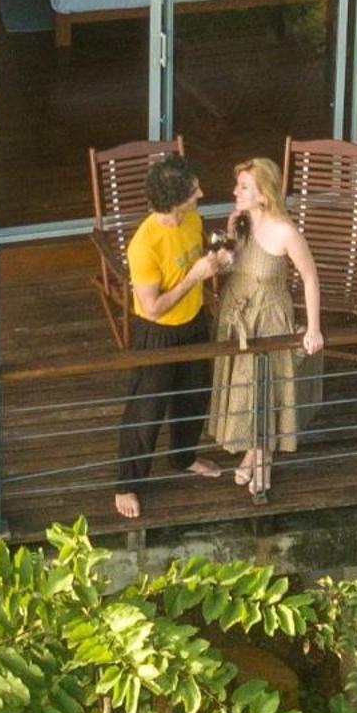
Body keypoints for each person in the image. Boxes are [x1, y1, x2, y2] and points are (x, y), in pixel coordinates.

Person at [114, 155, 230, 521]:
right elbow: (152, 308)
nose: (202, 193)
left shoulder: (192, 218)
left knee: (194, 396)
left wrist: (219, 258)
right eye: (193, 190)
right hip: (158, 334)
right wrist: (196, 277)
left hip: (194, 322)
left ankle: (183, 456)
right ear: (174, 198)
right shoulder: (144, 245)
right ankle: (127, 483)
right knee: (146, 410)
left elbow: (198, 257)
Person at [205, 158, 324, 498]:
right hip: (236, 311)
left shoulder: (285, 231)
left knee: (265, 386)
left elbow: (310, 276)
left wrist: (313, 328)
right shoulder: (239, 222)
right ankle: (255, 451)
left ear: (263, 194)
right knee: (242, 383)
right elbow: (231, 268)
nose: (235, 191)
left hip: (268, 316)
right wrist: (225, 246)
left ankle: (263, 459)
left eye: (244, 187)